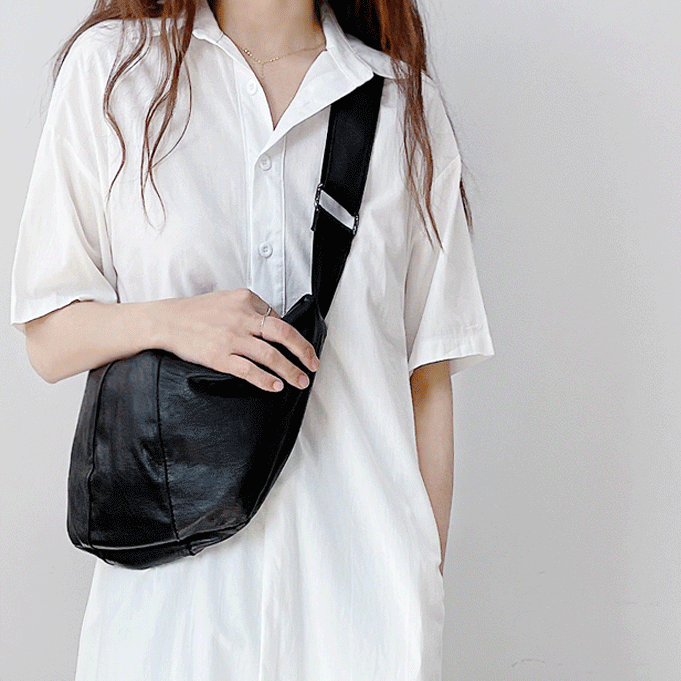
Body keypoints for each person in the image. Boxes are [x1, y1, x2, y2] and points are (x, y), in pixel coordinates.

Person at [9, 0, 495, 678]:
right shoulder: (116, 71)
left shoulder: (401, 106)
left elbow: (428, 379)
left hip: (359, 609)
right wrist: (171, 321)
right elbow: (49, 335)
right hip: (172, 609)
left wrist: (420, 579)